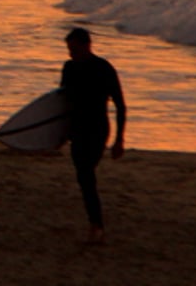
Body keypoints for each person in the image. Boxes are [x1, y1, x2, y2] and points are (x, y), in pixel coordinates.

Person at [60, 27, 126, 245]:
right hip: (77, 129)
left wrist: (119, 140)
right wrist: (58, 136)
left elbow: (120, 105)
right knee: (83, 176)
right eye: (69, 50)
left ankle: (96, 225)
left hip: (97, 129)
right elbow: (62, 104)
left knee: (86, 173)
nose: (72, 54)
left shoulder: (103, 68)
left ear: (87, 45)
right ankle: (95, 224)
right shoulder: (69, 68)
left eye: (75, 49)